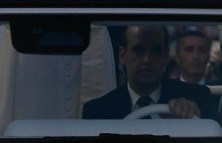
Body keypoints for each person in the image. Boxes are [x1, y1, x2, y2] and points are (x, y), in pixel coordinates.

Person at [82, 25, 214, 120]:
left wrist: (197, 119)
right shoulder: (98, 111)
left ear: (166, 56)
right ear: (123, 55)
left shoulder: (198, 98)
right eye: (138, 50)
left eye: (156, 51)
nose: (147, 59)